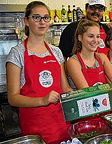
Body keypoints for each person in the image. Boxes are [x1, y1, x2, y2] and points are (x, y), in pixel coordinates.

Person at [6, 1, 72, 143]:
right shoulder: (17, 53)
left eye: (46, 17)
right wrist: (42, 100)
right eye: (36, 17)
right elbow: (13, 98)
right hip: (35, 126)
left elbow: (65, 88)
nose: (42, 22)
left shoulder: (56, 51)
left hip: (61, 123)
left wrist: (85, 95)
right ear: (27, 21)